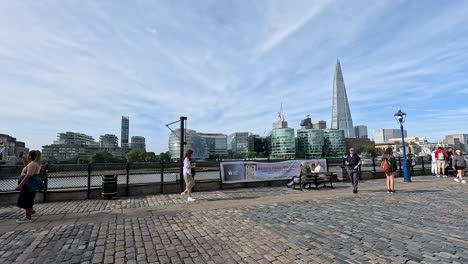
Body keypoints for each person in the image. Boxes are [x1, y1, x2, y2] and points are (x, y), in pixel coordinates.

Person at [16, 150, 43, 223]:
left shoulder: (33, 164)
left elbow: (28, 175)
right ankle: (29, 212)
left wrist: (20, 185)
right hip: (31, 184)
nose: (27, 156)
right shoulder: (35, 163)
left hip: (28, 184)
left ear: (30, 156)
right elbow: (27, 166)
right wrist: (24, 158)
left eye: (28, 155)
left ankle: (28, 216)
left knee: (25, 200)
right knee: (27, 200)